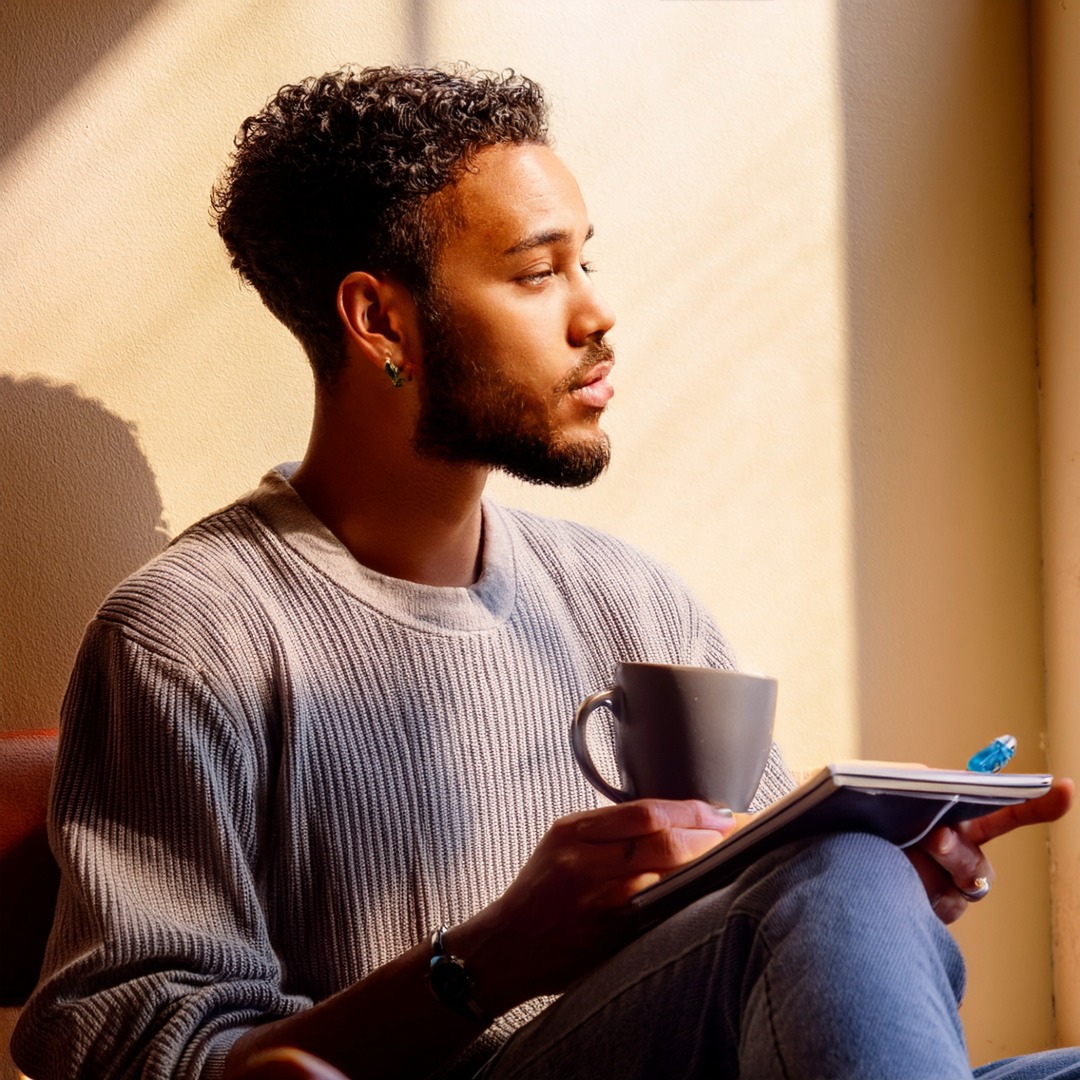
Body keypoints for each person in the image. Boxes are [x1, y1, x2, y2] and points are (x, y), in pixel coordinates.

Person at [11, 64, 1077, 1080]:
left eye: (585, 261)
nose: (595, 314)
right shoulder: (189, 635)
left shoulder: (629, 598)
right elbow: (126, 1054)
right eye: (535, 272)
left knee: (862, 884)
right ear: (380, 320)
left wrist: (880, 909)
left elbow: (767, 907)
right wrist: (494, 956)